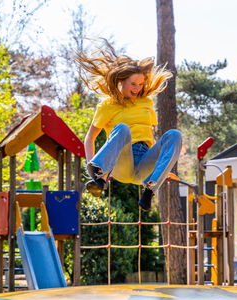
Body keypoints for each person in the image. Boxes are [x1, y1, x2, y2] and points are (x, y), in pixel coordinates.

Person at [76, 43, 182, 211]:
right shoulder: (107, 105)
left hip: (145, 162)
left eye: (141, 84)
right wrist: (92, 167)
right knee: (123, 128)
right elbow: (90, 138)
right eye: (133, 84)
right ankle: (99, 175)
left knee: (174, 135)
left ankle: (150, 189)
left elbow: (150, 136)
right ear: (122, 82)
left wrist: (162, 168)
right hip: (123, 163)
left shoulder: (146, 102)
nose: (137, 88)